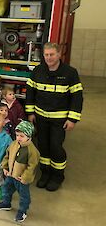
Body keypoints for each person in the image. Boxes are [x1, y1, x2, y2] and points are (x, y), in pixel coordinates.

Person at [26, 42, 83, 191]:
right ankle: (45, 174)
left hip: (60, 120)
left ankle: (57, 176)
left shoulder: (70, 73)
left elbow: (77, 97)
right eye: (46, 55)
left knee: (56, 147)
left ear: (59, 55)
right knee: (43, 146)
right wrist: (31, 113)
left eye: (52, 54)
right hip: (41, 118)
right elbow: (30, 92)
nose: (49, 57)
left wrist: (72, 119)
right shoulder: (38, 71)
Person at [0, 121, 40, 223]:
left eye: (22, 136)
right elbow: (7, 155)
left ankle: (23, 211)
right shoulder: (14, 144)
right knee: (6, 188)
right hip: (11, 175)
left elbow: (32, 166)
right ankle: (6, 203)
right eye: (17, 135)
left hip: (21, 179)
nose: (19, 138)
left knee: (24, 196)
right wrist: (5, 167)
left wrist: (25, 177)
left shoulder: (32, 151)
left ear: (29, 136)